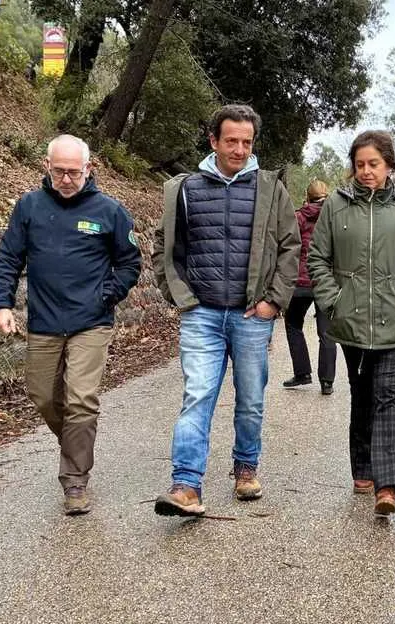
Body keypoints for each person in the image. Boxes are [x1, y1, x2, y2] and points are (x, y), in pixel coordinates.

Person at [153, 104, 300, 518]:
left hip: (253, 314)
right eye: (231, 140)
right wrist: (180, 297)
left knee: (250, 399)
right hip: (201, 314)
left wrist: (274, 301)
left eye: (246, 142)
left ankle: (246, 467)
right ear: (213, 141)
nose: (239, 149)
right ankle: (185, 485)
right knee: (197, 395)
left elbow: (291, 248)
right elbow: (165, 250)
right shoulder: (183, 189)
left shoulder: (271, 189)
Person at [0, 134, 141, 515]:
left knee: (80, 400)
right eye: (60, 171)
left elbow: (130, 263)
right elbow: (9, 257)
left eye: (74, 172)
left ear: (89, 169)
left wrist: (106, 295)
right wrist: (2, 304)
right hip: (43, 320)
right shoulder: (29, 207)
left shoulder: (109, 211)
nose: (67, 178)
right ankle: (76, 444)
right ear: (47, 167)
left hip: (91, 321)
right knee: (42, 394)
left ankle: (75, 482)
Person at [308, 130, 395, 516]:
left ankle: (389, 484)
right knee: (363, 393)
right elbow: (318, 259)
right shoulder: (335, 205)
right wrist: (335, 301)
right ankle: (362, 467)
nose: (366, 171)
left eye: (374, 164)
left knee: (387, 394)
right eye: (360, 164)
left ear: (390, 166)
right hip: (351, 322)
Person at [282, 180, 338, 395]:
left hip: (301, 282)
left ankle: (302, 373)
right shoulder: (335, 217)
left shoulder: (298, 217)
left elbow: (287, 247)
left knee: (293, 324)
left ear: (308, 196)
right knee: (327, 332)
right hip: (325, 281)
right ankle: (327, 382)